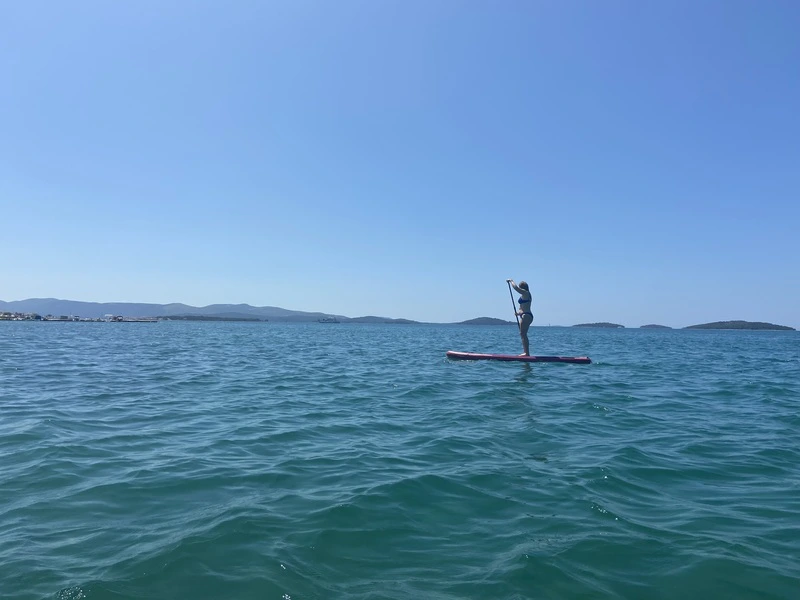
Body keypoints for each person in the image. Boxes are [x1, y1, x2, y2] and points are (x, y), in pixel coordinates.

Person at [507, 279, 532, 356]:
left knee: (523, 334)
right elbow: (523, 308)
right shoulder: (524, 296)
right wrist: (518, 313)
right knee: (522, 334)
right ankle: (526, 352)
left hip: (527, 316)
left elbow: (516, 288)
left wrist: (511, 281)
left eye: (521, 287)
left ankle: (526, 353)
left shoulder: (526, 293)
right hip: (524, 315)